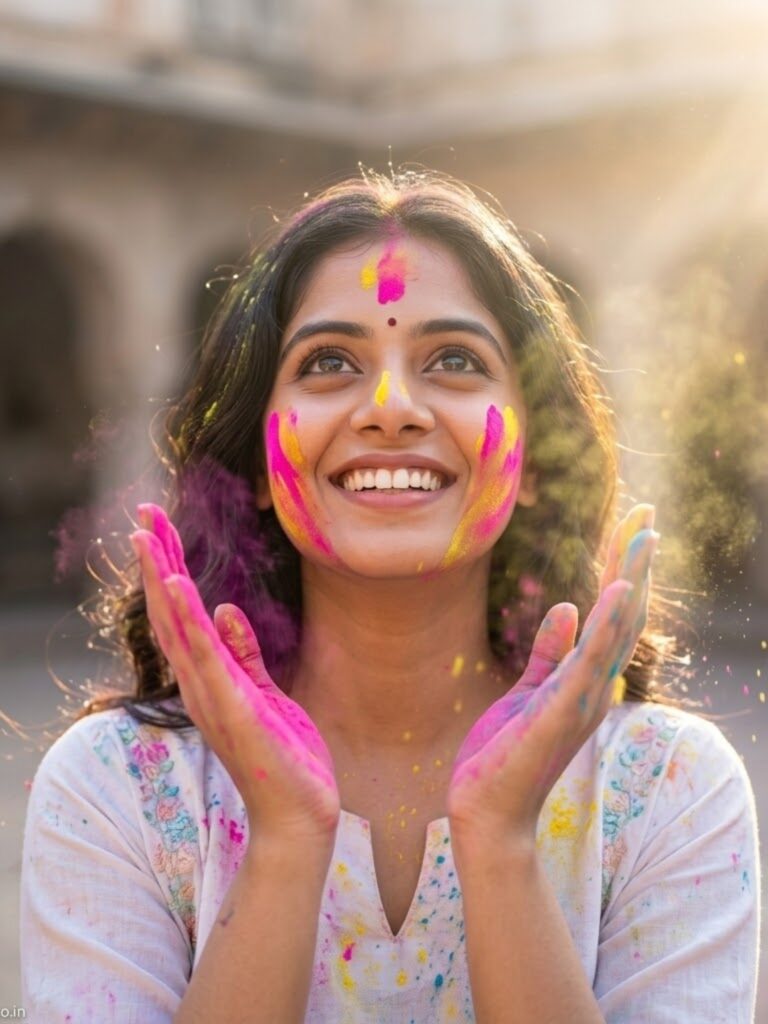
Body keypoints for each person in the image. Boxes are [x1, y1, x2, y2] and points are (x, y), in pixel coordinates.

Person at [20, 170, 759, 1023]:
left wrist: (503, 844)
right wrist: (286, 844)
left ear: (535, 454)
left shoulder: (664, 786)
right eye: (329, 363)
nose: (392, 408)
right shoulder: (125, 786)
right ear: (257, 463)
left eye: (455, 360)